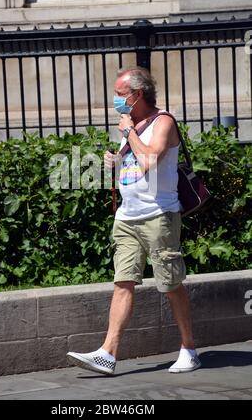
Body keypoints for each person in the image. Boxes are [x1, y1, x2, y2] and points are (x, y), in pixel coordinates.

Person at [67, 66, 201, 375]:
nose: (114, 100)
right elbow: (135, 165)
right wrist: (116, 159)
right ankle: (107, 353)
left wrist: (128, 133)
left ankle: (189, 349)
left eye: (119, 94)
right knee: (122, 282)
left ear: (137, 95)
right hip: (127, 218)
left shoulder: (163, 122)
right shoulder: (135, 125)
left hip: (158, 216)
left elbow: (151, 159)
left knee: (170, 284)